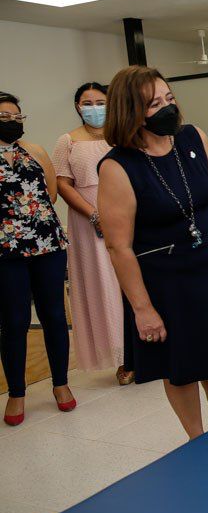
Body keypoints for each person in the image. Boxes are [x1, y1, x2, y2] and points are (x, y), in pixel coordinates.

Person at [97, 67, 208, 439]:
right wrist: (142, 308)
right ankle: (196, 438)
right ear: (131, 111)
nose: (168, 108)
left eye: (170, 98)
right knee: (180, 362)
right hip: (164, 277)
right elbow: (118, 246)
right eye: (155, 103)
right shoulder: (118, 167)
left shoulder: (193, 137)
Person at [0, 92, 76, 426]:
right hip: (6, 251)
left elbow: (51, 191)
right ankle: (17, 393)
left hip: (47, 243)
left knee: (54, 316)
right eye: (4, 117)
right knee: (14, 322)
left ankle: (61, 383)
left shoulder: (35, 151)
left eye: (17, 116)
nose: (12, 121)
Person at [52, 82, 132, 385]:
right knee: (106, 287)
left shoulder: (122, 137)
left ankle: (147, 349)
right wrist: (94, 214)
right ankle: (122, 358)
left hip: (128, 216)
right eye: (87, 103)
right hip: (90, 222)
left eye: (100, 101)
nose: (94, 108)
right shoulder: (68, 141)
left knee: (136, 281)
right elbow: (62, 184)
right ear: (77, 106)